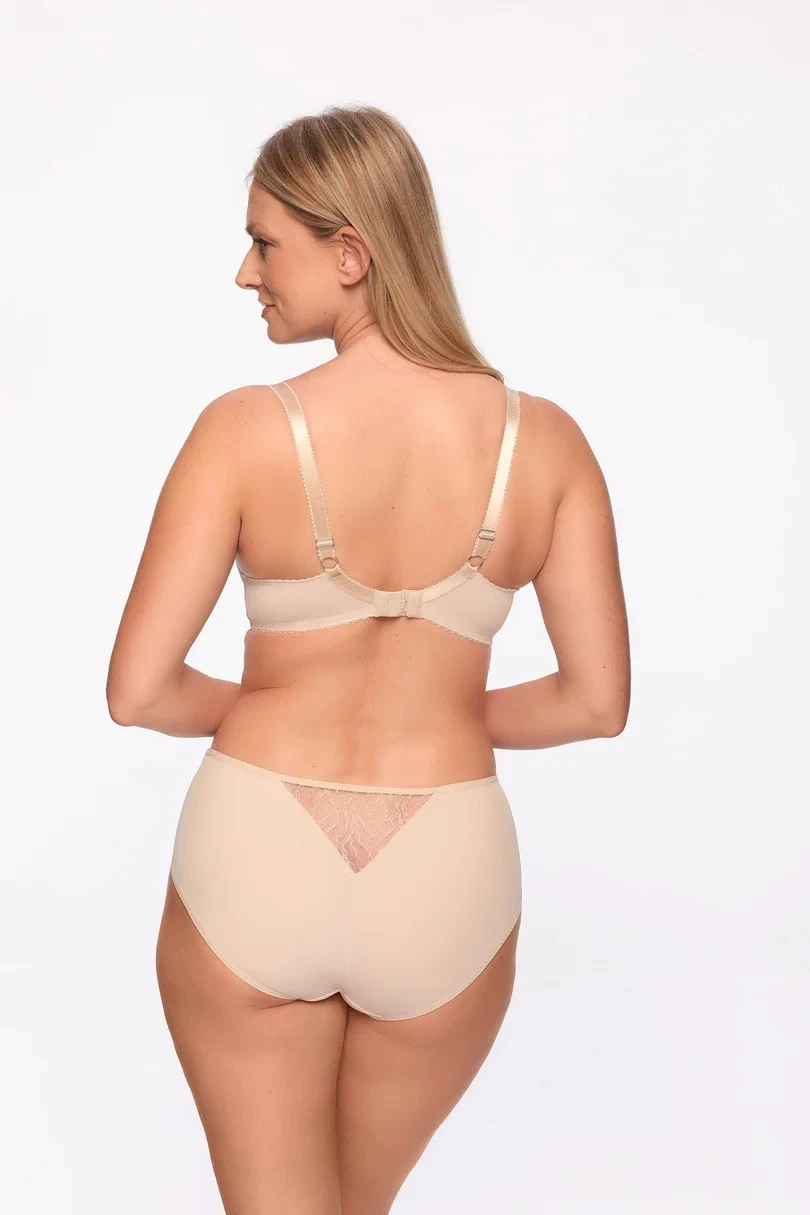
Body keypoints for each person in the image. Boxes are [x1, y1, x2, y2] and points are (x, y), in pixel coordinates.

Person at [106, 104, 630, 1215]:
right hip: (448, 866)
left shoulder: (243, 429)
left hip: (257, 845)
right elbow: (597, 703)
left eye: (264, 243)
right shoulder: (547, 444)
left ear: (350, 253)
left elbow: (138, 690)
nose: (245, 273)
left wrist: (271, 699)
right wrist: (450, 711)